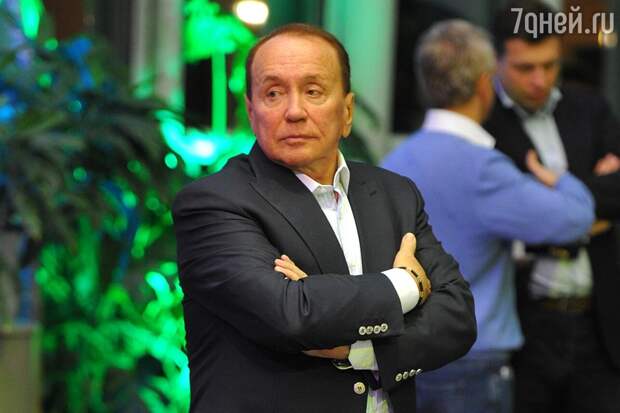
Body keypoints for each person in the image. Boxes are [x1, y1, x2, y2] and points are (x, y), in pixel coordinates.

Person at [172, 23, 476, 413]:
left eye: (313, 91)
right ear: (251, 111)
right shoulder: (214, 202)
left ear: (346, 111)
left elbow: (457, 317)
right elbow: (291, 315)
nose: (294, 111)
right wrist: (407, 285)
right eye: (273, 93)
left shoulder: (394, 193)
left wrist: (359, 350)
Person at [382, 20, 594, 413]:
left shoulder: (394, 162)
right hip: (471, 361)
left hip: (407, 355)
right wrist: (562, 179)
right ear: (485, 84)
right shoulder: (483, 168)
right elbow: (576, 218)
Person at [483, 1, 620, 412]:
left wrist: (550, 200)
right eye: (525, 68)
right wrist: (588, 207)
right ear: (496, 61)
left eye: (550, 65)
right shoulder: (485, 125)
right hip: (524, 326)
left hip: (598, 324)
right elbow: (503, 216)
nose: (540, 79)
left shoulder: (589, 108)